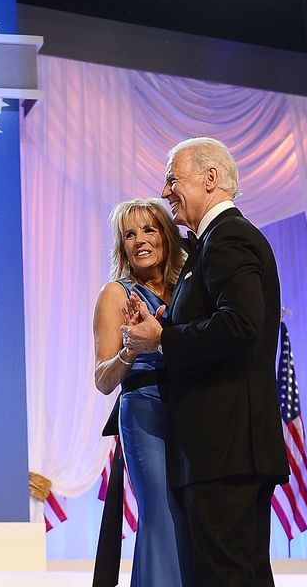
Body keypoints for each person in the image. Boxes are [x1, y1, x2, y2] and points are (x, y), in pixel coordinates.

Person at [122, 137, 290, 587]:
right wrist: (168, 319)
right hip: (225, 450)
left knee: (224, 576)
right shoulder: (211, 243)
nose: (165, 191)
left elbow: (239, 325)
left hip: (225, 450)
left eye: (173, 179)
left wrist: (165, 339)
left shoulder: (228, 237)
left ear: (210, 179)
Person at [91, 198, 189, 587]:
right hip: (144, 411)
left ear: (167, 236)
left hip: (193, 409)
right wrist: (131, 348)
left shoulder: (188, 287)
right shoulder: (116, 294)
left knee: (192, 514)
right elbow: (103, 379)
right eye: (129, 234)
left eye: (149, 229)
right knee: (160, 515)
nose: (140, 240)